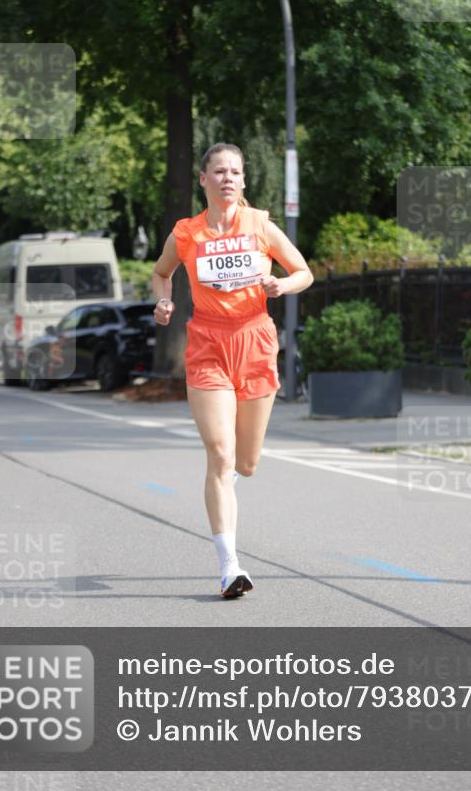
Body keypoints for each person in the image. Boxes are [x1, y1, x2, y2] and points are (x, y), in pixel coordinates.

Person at [151, 142, 313, 599]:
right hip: (207, 343)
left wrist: (281, 284)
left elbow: (304, 271)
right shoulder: (186, 233)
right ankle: (230, 567)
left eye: (235, 172)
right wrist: (162, 300)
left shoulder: (260, 225)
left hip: (256, 340)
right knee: (220, 455)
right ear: (203, 180)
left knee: (247, 462)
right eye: (218, 171)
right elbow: (161, 273)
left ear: (243, 181)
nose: (227, 178)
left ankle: (232, 476)